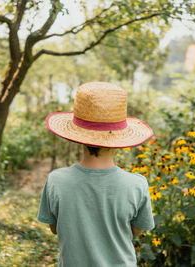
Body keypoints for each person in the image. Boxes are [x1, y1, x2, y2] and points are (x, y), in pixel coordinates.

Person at [37, 82, 155, 267]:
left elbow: (55, 228)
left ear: (77, 137)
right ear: (120, 139)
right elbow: (137, 230)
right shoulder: (136, 185)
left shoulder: (56, 180)